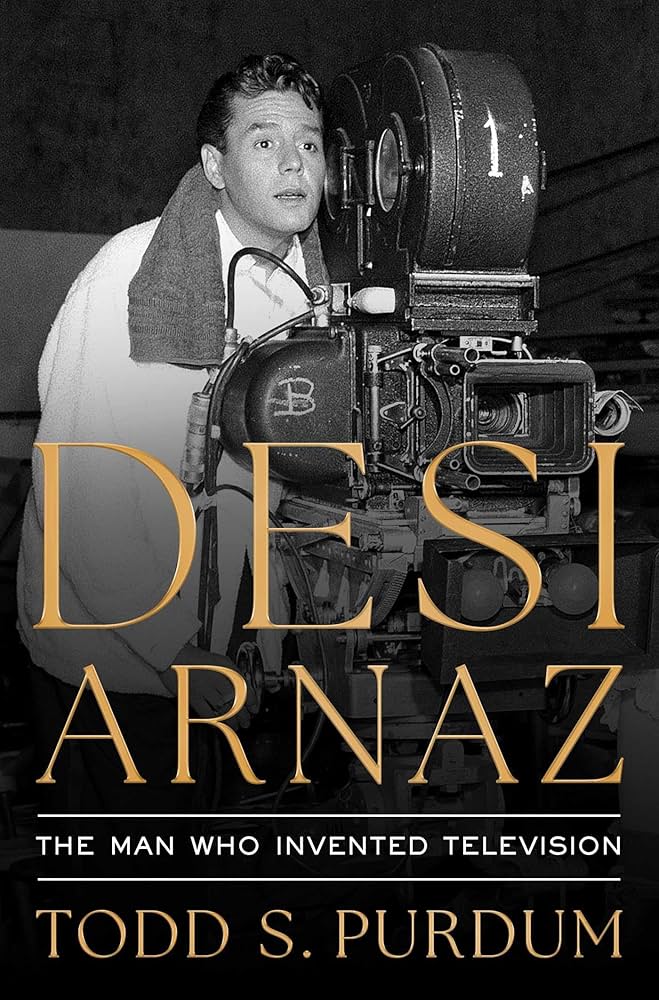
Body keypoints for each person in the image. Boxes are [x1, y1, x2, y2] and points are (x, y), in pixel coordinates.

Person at [16, 53, 328, 806]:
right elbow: (82, 492)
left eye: (310, 143)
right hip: (115, 664)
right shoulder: (135, 278)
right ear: (215, 166)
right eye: (264, 141)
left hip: (228, 647)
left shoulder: (312, 296)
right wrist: (171, 653)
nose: (294, 162)